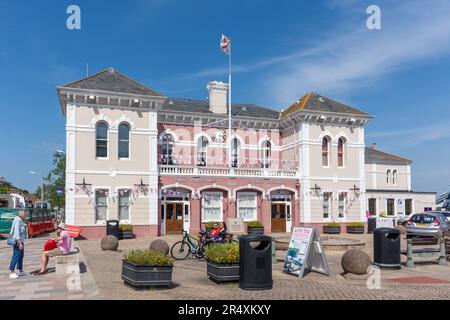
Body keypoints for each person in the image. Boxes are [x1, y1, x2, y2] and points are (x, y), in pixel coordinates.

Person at [9, 211, 28, 279]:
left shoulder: (20, 220)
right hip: (18, 241)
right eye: (25, 214)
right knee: (16, 256)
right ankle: (12, 272)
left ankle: (20, 270)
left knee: (21, 256)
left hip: (20, 241)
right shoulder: (17, 220)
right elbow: (16, 232)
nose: (25, 215)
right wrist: (19, 242)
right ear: (21, 214)